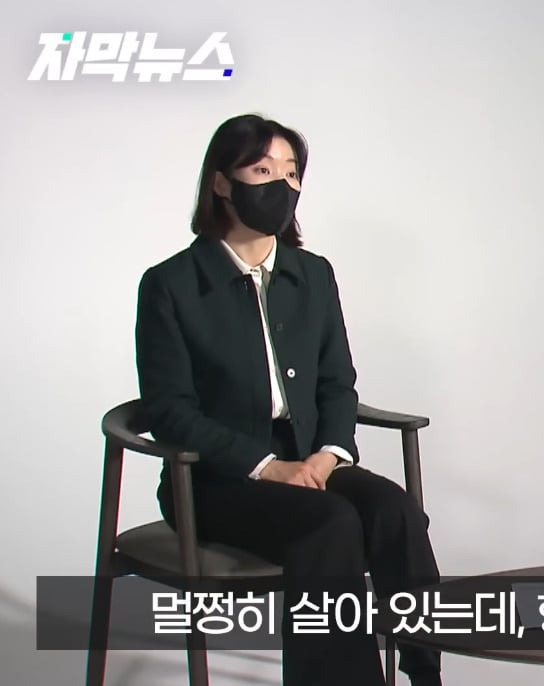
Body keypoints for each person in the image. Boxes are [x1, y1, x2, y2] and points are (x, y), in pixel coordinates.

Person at [135, 114, 443, 686]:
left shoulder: (313, 274)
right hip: (215, 480)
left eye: (291, 172)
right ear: (222, 182)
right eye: (262, 170)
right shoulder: (171, 284)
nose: (282, 184)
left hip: (307, 460)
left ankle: (425, 674)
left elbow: (337, 382)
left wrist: (327, 456)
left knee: (393, 511)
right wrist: (267, 467)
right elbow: (169, 410)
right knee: (330, 523)